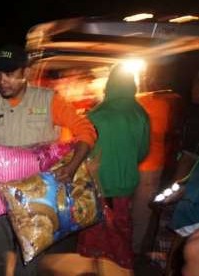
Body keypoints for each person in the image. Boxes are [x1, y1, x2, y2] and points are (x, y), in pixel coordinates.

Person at [0, 44, 97, 275]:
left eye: (9, 73)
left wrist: (72, 166)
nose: (2, 80)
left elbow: (86, 131)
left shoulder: (49, 101)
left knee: (29, 262)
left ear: (25, 73)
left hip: (37, 197)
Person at [77, 64, 150, 272]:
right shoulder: (140, 113)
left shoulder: (95, 114)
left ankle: (93, 269)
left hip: (95, 187)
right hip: (123, 187)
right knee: (120, 234)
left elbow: (82, 150)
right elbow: (143, 152)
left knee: (93, 235)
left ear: (110, 84)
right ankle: (121, 268)